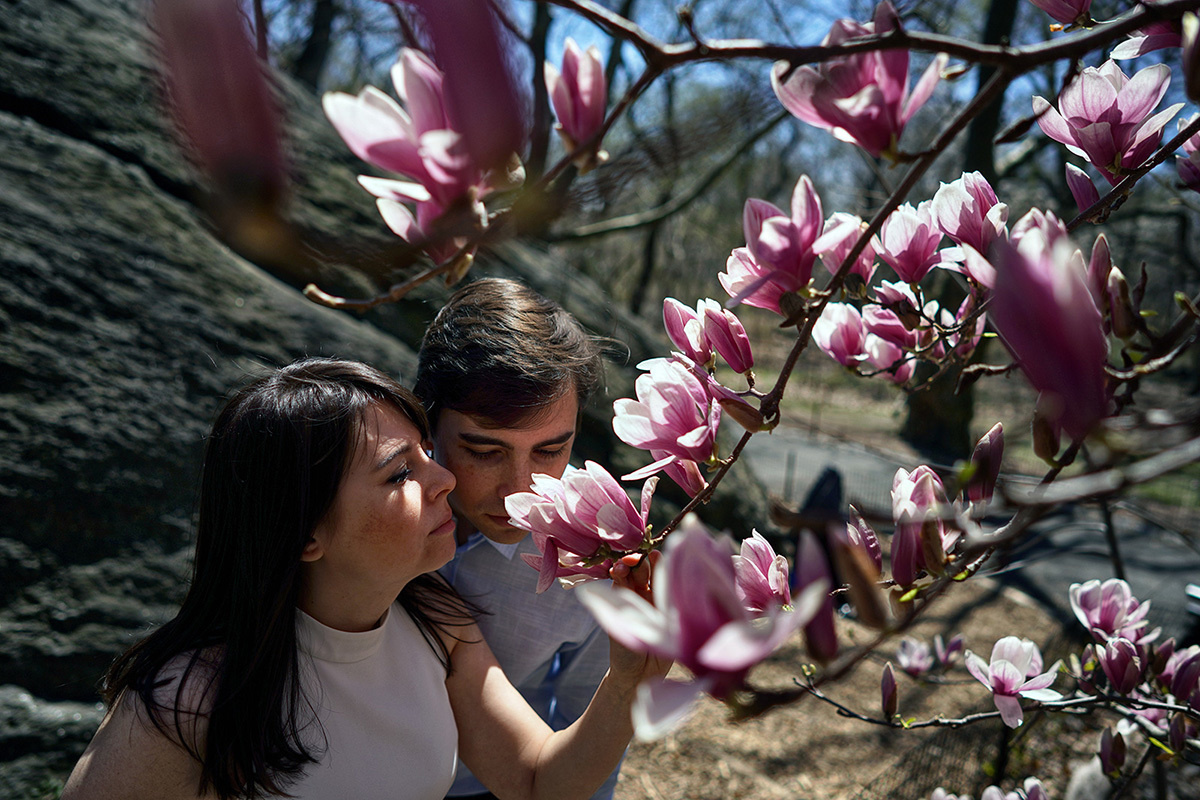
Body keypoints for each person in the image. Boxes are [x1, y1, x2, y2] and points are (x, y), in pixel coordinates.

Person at [61, 357, 663, 800]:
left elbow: (535, 778)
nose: (444, 482)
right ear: (303, 533)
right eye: (401, 473)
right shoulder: (185, 700)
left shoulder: (439, 623)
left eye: (427, 455)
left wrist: (629, 680)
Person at [414, 279, 624, 800]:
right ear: (426, 420)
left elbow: (586, 722)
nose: (519, 491)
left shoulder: (597, 557)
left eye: (552, 451)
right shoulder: (366, 510)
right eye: (485, 451)